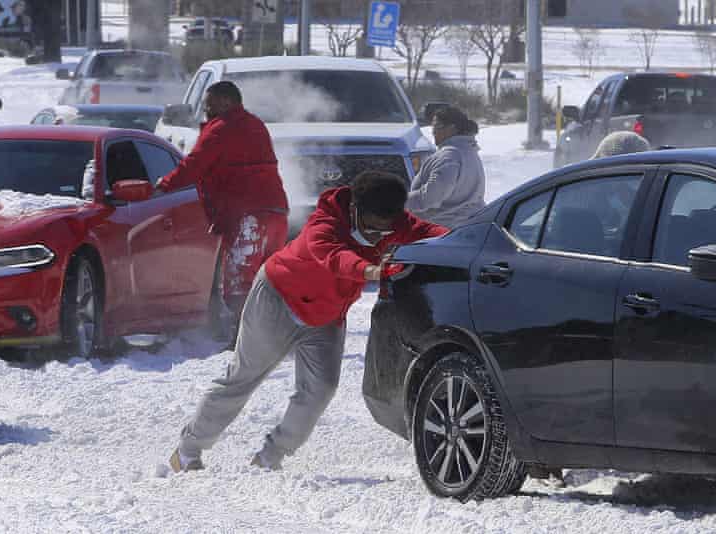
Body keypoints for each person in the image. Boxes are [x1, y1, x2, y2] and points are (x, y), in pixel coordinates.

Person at [169, 171, 448, 472]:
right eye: (371, 229)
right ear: (355, 210)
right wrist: (368, 271)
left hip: (325, 317)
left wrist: (469, 237)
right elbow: (332, 255)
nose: (376, 237)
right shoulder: (324, 223)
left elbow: (432, 232)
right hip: (277, 301)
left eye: (385, 232)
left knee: (321, 389)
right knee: (242, 378)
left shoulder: (394, 223)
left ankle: (269, 456)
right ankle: (187, 451)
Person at [157, 81, 289, 341]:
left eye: (209, 104)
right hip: (275, 212)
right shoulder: (255, 124)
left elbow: (195, 165)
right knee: (268, 279)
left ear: (227, 102)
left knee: (240, 281)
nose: (205, 110)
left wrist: (164, 185)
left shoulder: (222, 129)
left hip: (249, 215)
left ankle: (244, 341)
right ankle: (274, 336)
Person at [406, 105, 486, 228]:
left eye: (437, 127)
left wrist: (400, 202)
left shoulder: (450, 155)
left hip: (444, 232)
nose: (433, 132)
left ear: (452, 128)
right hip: (465, 227)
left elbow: (431, 197)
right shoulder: (468, 150)